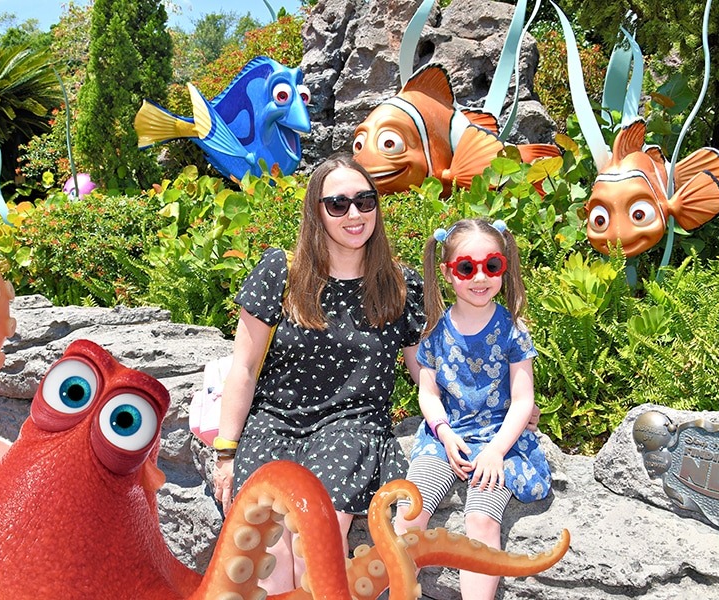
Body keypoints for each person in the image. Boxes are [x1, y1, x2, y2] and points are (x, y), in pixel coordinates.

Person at [212, 152, 426, 594]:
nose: (354, 214)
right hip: (276, 424)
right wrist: (226, 453)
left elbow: (423, 371)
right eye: (338, 204)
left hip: (351, 426)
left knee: (313, 538)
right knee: (269, 547)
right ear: (316, 211)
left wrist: (496, 407)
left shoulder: (400, 285)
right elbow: (245, 368)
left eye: (366, 201)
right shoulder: (282, 273)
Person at [394, 218, 551, 600]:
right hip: (446, 436)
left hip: (499, 439)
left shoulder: (513, 330)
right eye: (467, 267)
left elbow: (523, 399)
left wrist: (496, 451)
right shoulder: (435, 331)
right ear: (449, 273)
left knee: (481, 518)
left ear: (504, 268)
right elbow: (428, 394)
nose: (480, 277)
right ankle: (400, 590)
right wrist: (443, 432)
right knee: (409, 510)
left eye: (491, 265)